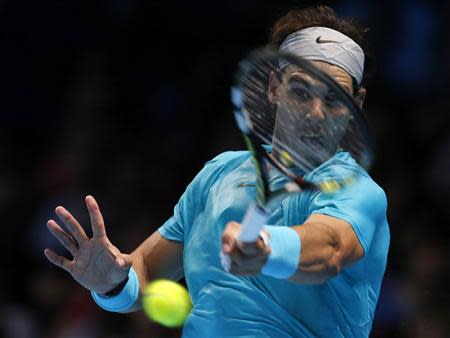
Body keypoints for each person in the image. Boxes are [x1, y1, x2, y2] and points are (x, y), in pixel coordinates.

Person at [44, 5, 389, 338]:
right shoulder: (218, 175)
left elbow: (331, 248)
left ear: (355, 105)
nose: (315, 112)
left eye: (333, 99)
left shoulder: (357, 191)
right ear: (273, 88)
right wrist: (112, 282)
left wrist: (267, 247)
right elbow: (145, 273)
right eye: (301, 91)